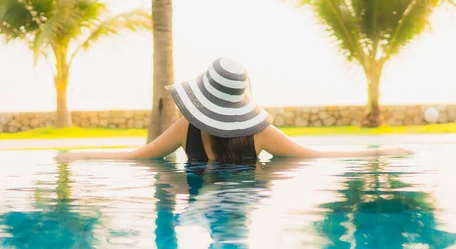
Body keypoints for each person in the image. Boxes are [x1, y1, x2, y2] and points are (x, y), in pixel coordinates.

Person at [55, 58, 413, 163]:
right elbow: (315, 156)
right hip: (248, 190)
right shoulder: (260, 134)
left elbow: (139, 157)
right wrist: (381, 153)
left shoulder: (185, 129)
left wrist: (78, 155)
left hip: (195, 191)